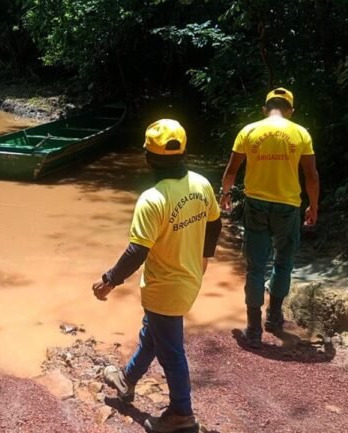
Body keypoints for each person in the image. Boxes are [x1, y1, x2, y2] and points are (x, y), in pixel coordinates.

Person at [92, 119, 222, 433]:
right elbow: (215, 224)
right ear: (184, 151)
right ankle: (126, 379)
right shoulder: (201, 184)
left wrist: (109, 281)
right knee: (152, 334)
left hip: (164, 287)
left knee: (171, 352)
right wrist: (205, 257)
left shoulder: (152, 199)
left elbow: (137, 251)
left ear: (148, 157)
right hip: (189, 279)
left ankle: (182, 414)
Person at [219, 87, 320, 348]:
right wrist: (314, 206)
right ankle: (274, 317)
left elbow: (231, 170)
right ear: (291, 111)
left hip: (256, 205)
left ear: (265, 109)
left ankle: (253, 329)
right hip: (288, 207)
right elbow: (311, 176)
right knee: (283, 262)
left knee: (255, 266)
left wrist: (225, 194)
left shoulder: (249, 131)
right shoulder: (301, 133)